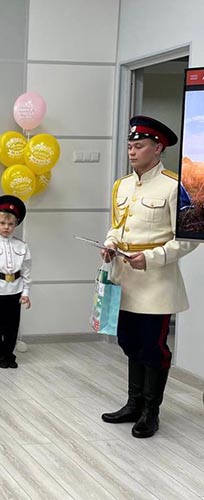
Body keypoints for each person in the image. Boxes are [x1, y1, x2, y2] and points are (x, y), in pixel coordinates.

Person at [100, 116, 197, 439]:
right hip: (125, 280)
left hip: (156, 283)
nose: (132, 151)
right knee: (128, 341)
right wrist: (110, 243)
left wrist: (153, 258)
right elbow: (118, 225)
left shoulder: (174, 186)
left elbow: (189, 238)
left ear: (158, 148)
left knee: (152, 347)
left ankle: (150, 412)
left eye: (139, 146)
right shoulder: (122, 185)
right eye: (130, 145)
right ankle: (134, 403)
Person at [0, 195, 32, 369]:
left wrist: (25, 292)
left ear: (16, 224)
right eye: (2, 223)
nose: (6, 227)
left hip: (15, 291)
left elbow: (26, 271)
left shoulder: (22, 246)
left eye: (10, 224)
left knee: (12, 326)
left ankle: (9, 354)